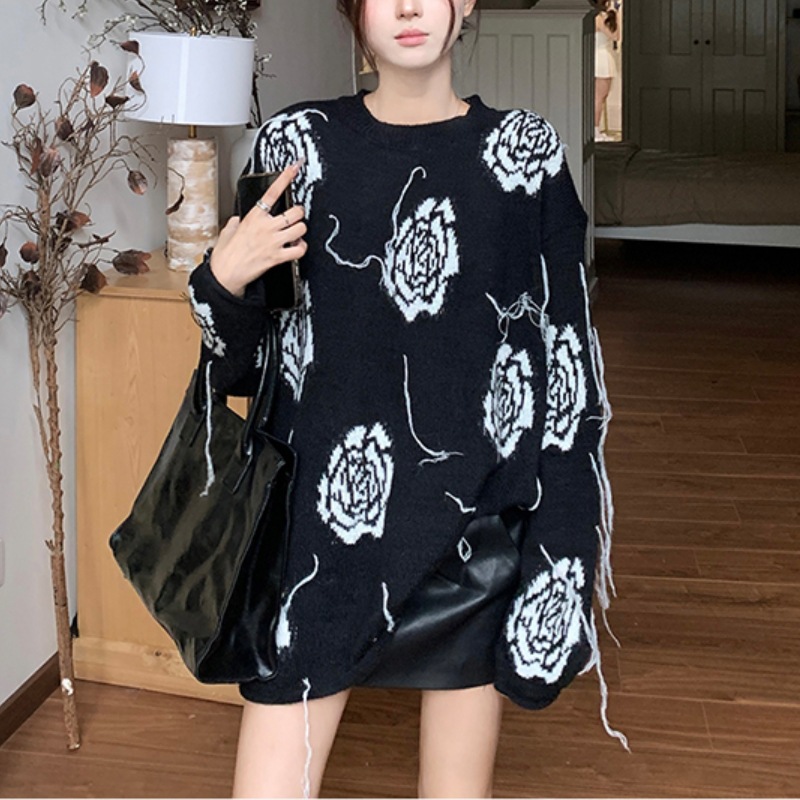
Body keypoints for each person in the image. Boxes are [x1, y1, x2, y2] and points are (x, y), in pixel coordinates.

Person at [186, 0, 629, 796]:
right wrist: (223, 281)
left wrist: (562, 552)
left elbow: (568, 377)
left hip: (472, 536)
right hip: (318, 542)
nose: (411, 7)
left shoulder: (525, 155)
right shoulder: (296, 146)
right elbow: (247, 371)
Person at [593, 0, 621, 141]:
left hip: (602, 57)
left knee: (601, 97)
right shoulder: (598, 18)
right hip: (601, 58)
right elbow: (615, 36)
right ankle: (595, 130)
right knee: (598, 97)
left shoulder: (601, 16)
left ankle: (596, 129)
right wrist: (616, 15)